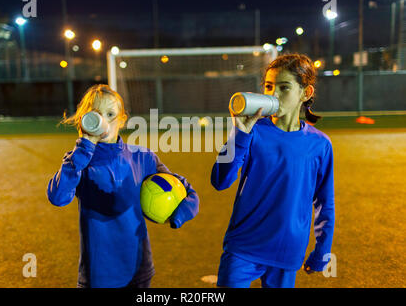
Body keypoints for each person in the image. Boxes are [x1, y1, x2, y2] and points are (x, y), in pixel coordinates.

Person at [47, 84, 199, 288]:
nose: (104, 121)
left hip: (138, 269)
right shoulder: (78, 162)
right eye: (96, 114)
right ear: (86, 120)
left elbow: (184, 189)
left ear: (122, 119)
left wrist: (179, 214)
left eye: (110, 114)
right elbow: (58, 197)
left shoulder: (142, 157)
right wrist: (84, 149)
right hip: (98, 275)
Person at [211, 54, 335, 288]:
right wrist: (239, 135)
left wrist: (323, 250)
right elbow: (220, 180)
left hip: (287, 250)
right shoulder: (252, 131)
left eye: (283, 87)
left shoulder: (320, 144)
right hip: (243, 247)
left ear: (305, 93)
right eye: (269, 86)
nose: (273, 94)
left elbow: (324, 202)